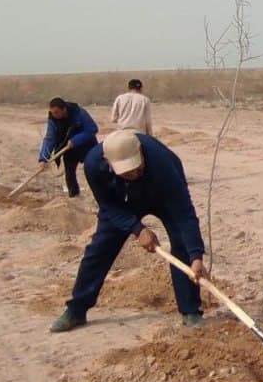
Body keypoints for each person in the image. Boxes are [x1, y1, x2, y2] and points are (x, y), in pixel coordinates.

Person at [50, 130, 208, 333]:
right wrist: (137, 229)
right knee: (99, 250)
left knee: (183, 246)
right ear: (107, 162)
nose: (134, 173)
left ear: (141, 152)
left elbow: (184, 212)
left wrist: (196, 255)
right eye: (126, 171)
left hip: (162, 195)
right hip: (121, 201)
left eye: (137, 167)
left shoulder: (164, 163)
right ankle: (76, 310)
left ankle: (191, 311)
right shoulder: (92, 165)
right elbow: (107, 206)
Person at [38, 98, 99, 198]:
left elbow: (92, 129)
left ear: (64, 109)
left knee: (93, 171)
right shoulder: (53, 119)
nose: (54, 115)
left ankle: (99, 196)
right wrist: (43, 158)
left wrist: (76, 140)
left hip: (87, 145)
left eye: (56, 112)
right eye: (52, 112)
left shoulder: (79, 112)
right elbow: (50, 138)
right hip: (68, 148)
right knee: (70, 174)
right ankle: (74, 195)